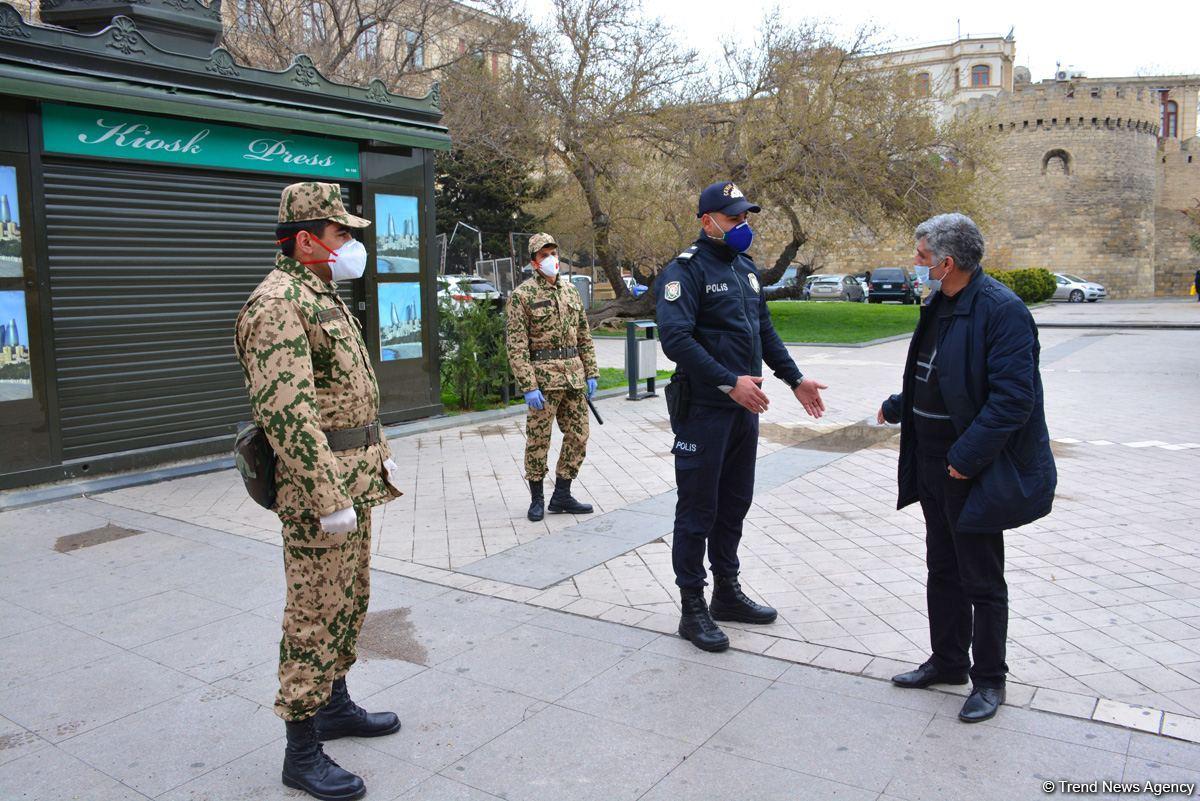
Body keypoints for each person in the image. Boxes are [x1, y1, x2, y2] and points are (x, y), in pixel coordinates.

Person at [235, 182, 404, 801]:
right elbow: (289, 415)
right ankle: (300, 750)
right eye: (340, 235)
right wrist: (328, 495)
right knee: (313, 612)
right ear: (306, 240)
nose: (351, 244)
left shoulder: (319, 292)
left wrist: (366, 470)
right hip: (320, 492)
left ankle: (334, 703)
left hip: (353, 479)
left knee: (351, 597)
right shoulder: (278, 303)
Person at [877, 212, 1056, 723]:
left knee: (981, 578)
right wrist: (898, 403)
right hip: (932, 461)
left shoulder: (1002, 311)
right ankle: (949, 660)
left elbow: (1012, 401)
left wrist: (965, 460)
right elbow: (932, 370)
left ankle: (990, 680)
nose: (916, 263)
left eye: (922, 256)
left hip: (968, 469)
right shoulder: (940, 301)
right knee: (943, 568)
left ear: (947, 262)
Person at [656, 181, 828, 652]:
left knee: (734, 504)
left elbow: (763, 332)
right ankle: (693, 607)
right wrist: (730, 381)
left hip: (742, 412)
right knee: (697, 510)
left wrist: (795, 380)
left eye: (745, 218)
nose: (742, 226)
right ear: (706, 220)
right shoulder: (684, 272)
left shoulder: (746, 271)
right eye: (733, 219)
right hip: (705, 411)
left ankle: (726, 593)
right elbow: (675, 339)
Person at [506, 232, 598, 522]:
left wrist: (591, 371)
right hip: (543, 383)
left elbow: (583, 334)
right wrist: (528, 386)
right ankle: (537, 498)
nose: (551, 259)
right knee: (538, 440)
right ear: (534, 261)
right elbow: (517, 346)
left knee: (579, 435)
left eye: (553, 253)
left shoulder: (570, 291)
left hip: (573, 378)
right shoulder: (522, 296)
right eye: (544, 255)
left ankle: (562, 494)